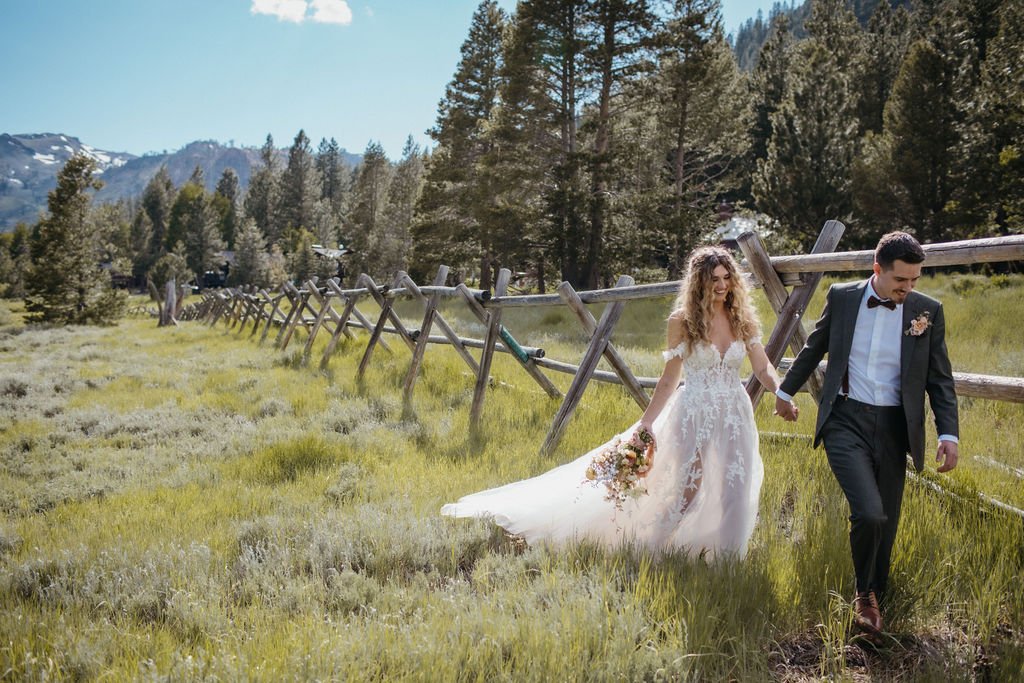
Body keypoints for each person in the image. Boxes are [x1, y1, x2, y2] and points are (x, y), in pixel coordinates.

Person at [442, 246, 784, 559]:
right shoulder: (682, 321)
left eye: (727, 278)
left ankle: (725, 561)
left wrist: (780, 391)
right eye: (714, 279)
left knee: (735, 488)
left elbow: (762, 366)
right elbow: (669, 379)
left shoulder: (742, 319)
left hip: (735, 414)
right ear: (699, 282)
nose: (722, 285)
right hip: (694, 413)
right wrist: (647, 423)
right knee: (687, 490)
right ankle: (649, 551)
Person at [774, 231, 959, 638]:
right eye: (900, 281)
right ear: (877, 270)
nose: (908, 289)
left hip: (896, 426)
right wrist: (784, 392)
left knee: (886, 521)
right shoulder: (842, 298)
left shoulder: (927, 311)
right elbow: (814, 348)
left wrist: (949, 433)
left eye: (914, 281)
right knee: (870, 512)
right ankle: (864, 596)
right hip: (846, 420)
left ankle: (877, 594)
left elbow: (940, 379)